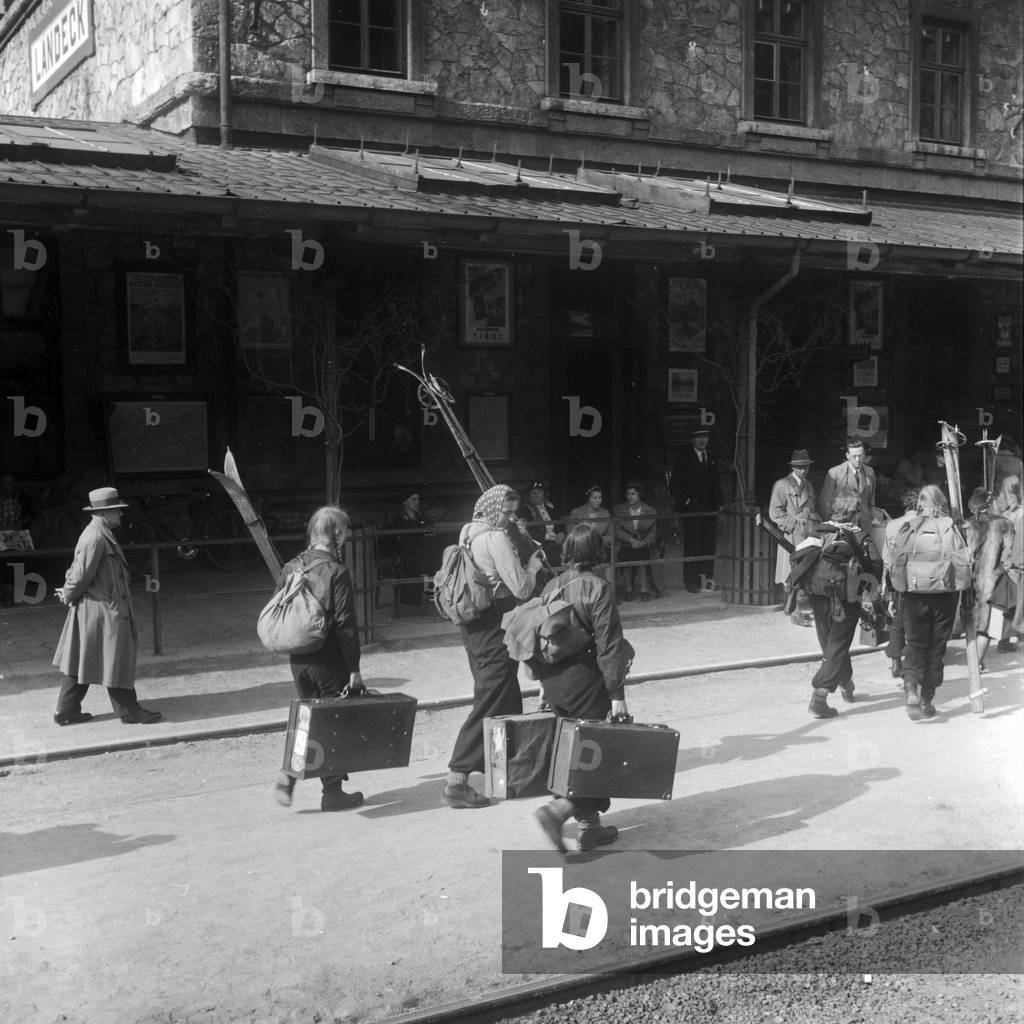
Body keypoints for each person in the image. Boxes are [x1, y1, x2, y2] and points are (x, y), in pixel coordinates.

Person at [532, 524, 633, 853]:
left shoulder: (551, 586)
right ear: (597, 552)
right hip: (586, 681)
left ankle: (590, 829)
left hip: (554, 683)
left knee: (569, 755)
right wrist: (617, 696)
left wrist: (543, 689)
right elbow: (609, 646)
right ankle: (557, 813)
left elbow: (540, 639)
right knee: (596, 755)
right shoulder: (598, 587)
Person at [443, 485, 546, 809]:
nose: (510, 517)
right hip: (493, 625)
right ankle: (457, 781)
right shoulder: (496, 538)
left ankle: (506, 770)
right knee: (490, 699)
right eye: (506, 511)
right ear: (491, 510)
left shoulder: (467, 532)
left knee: (506, 695)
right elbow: (522, 588)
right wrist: (532, 565)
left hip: (472, 627)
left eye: (514, 511)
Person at [272, 506, 367, 812]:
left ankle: (289, 776)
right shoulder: (336, 571)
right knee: (332, 723)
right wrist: (354, 668)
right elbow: (345, 625)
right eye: (345, 531)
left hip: (298, 658)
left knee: (308, 719)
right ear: (337, 534)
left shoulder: (291, 566)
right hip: (328, 660)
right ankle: (332, 793)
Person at [52, 487, 162, 726]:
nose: (121, 516)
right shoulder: (95, 537)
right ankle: (129, 710)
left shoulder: (99, 534)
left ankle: (66, 709)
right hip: (103, 609)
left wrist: (70, 594)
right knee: (115, 658)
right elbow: (80, 575)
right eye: (117, 511)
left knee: (82, 657)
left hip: (99, 608)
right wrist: (68, 594)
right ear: (104, 513)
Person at [797, 496, 877, 719]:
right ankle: (819, 696)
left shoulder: (819, 531)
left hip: (818, 592)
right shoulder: (858, 535)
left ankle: (845, 682)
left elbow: (801, 555)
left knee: (829, 642)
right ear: (855, 513)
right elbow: (875, 564)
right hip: (846, 595)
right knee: (838, 643)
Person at [898, 485, 971, 721]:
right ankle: (927, 699)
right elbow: (962, 562)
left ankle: (910, 686)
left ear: (920, 503)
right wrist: (962, 589)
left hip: (914, 593)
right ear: (942, 503)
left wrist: (900, 590)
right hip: (944, 594)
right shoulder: (950, 526)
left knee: (915, 643)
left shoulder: (910, 526)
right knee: (937, 647)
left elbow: (897, 560)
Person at [965, 487, 1014, 671]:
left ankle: (976, 661)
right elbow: (1009, 557)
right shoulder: (1004, 524)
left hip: (968, 580)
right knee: (986, 626)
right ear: (990, 504)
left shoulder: (966, 525)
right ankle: (976, 663)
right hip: (994, 580)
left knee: (971, 622)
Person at [670, 428, 721, 592]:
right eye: (698, 437)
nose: (701, 440)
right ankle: (691, 582)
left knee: (708, 545)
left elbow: (716, 484)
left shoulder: (711, 458)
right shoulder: (684, 459)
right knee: (693, 545)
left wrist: (719, 506)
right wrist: (687, 501)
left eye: (704, 437)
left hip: (709, 511)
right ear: (692, 440)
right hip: (692, 510)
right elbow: (674, 485)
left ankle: (706, 581)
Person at [881, 490, 921, 684]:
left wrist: (886, 580)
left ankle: (896, 659)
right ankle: (911, 662)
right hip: (917, 577)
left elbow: (886, 556)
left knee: (896, 618)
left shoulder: (891, 524)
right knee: (915, 620)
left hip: (896, 575)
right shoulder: (924, 524)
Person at [768, 449, 821, 588]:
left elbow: (813, 509)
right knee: (790, 572)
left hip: (808, 534)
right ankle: (789, 602)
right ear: (792, 467)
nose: (803, 470)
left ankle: (803, 601)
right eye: (799, 467)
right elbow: (775, 512)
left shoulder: (808, 486)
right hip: (792, 534)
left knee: (807, 571)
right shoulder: (782, 484)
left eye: (806, 466)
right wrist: (794, 526)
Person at [612, 481, 660, 601]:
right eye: (628, 494)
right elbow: (616, 531)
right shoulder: (619, 509)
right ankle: (628, 590)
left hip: (643, 544)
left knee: (642, 554)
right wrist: (630, 540)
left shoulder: (650, 510)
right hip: (626, 543)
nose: (630, 496)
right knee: (625, 554)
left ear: (640, 495)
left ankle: (644, 590)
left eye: (633, 494)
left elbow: (653, 533)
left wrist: (643, 542)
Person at [819, 439, 877, 534]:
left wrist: (869, 516)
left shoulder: (870, 472)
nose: (858, 460)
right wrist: (833, 526)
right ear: (847, 456)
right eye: (854, 456)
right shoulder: (835, 473)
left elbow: (871, 500)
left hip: (864, 525)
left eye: (860, 456)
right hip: (841, 525)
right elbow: (824, 504)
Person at [993, 475, 1023, 642]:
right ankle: (1010, 638)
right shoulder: (1020, 512)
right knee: (1016, 600)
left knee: (1006, 602)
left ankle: (1005, 639)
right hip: (1015, 559)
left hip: (1003, 558)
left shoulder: (999, 509)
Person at [392, 491, 434, 606]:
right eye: (413, 499)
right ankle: (413, 597)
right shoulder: (398, 519)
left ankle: (432, 592)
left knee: (436, 559)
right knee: (416, 563)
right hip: (405, 553)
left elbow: (428, 530)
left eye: (417, 499)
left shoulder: (421, 516)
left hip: (420, 550)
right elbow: (397, 540)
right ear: (405, 503)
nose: (417, 502)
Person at [568, 484, 613, 577]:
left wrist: (598, 541)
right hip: (581, 549)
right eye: (595, 498)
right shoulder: (576, 512)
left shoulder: (605, 513)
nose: (598, 501)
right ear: (588, 498)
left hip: (600, 548)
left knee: (606, 555)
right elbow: (571, 534)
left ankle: (608, 589)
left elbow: (610, 536)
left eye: (600, 498)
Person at [516, 481, 565, 568]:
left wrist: (561, 534)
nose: (536, 495)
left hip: (555, 545)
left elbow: (561, 526)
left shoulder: (551, 509)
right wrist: (546, 536)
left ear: (544, 494)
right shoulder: (523, 511)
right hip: (538, 547)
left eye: (539, 492)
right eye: (533, 493)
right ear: (529, 495)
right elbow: (526, 532)